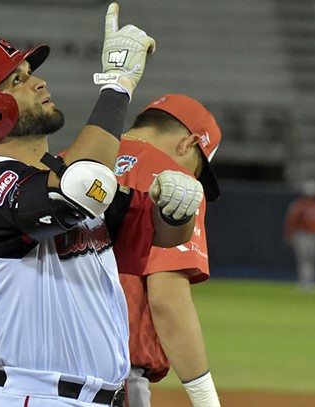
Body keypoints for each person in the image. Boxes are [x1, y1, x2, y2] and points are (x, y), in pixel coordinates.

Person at [0, 4, 205, 407]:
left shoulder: (59, 173)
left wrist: (177, 206)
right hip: (36, 397)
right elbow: (78, 187)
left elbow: (160, 236)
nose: (38, 82)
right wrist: (116, 84)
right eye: (17, 81)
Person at [115, 94, 222, 407]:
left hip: (31, 379)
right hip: (110, 379)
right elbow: (167, 300)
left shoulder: (75, 158)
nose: (195, 175)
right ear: (187, 143)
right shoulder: (175, 183)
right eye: (198, 167)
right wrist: (206, 401)